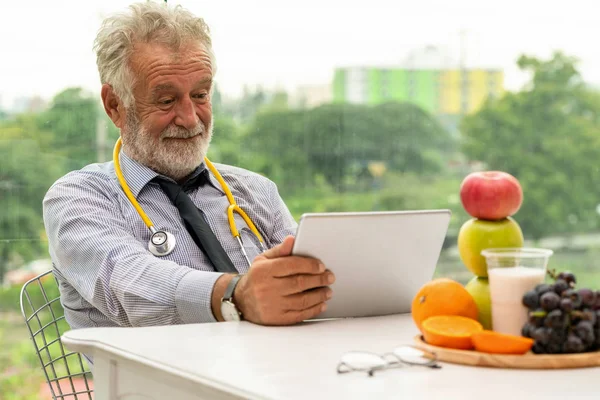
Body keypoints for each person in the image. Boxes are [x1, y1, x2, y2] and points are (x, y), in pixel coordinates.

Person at [43, 1, 335, 335]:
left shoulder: (255, 191)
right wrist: (236, 297)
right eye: (166, 101)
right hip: (158, 387)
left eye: (200, 95)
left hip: (272, 376)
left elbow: (315, 279)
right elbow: (127, 282)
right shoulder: (77, 198)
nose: (190, 118)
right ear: (115, 106)